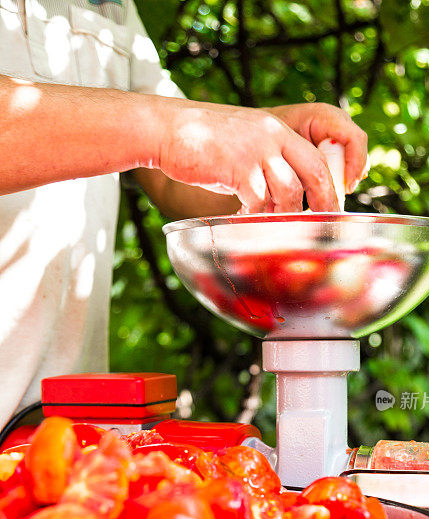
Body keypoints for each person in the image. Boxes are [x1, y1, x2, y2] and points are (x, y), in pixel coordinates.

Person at [0, 0, 368, 430]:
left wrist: (274, 142)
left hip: (58, 439)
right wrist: (174, 132)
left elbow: (174, 175)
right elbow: (163, 134)